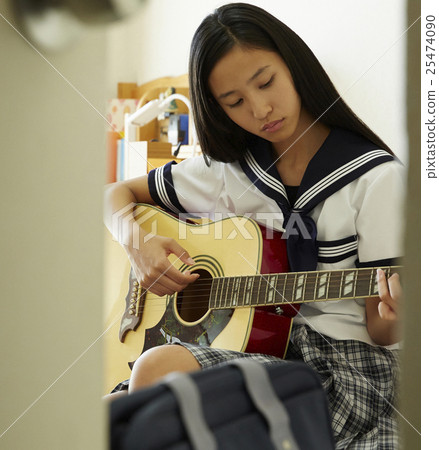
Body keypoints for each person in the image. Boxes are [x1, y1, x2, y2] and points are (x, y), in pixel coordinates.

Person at [104, 3, 405, 448]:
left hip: (349, 368)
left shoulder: (377, 179)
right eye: (235, 102)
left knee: (150, 380)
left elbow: (382, 328)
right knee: (124, 395)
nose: (261, 109)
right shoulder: (227, 171)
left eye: (266, 82)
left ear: (294, 65)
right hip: (259, 349)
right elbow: (115, 193)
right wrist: (137, 242)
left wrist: (400, 315)